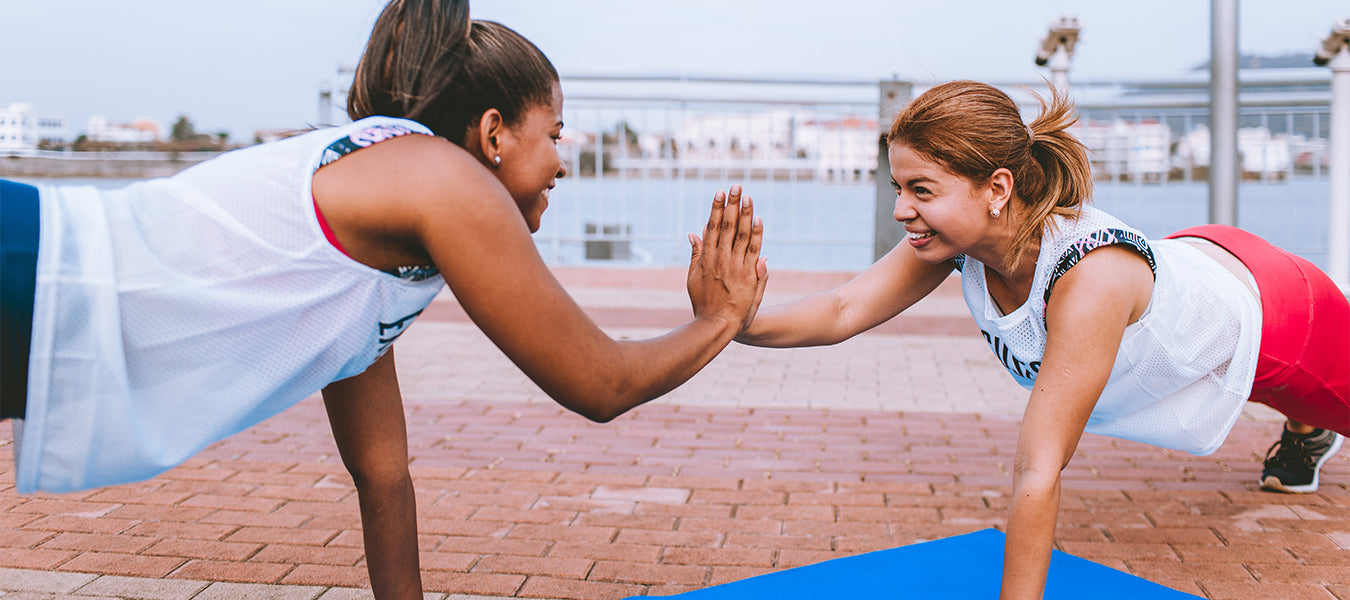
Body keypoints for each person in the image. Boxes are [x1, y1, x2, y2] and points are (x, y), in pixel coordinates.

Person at [0, 1, 767, 598]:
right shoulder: (440, 179)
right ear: (494, 133)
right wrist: (720, 319)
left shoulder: (374, 250)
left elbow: (384, 474)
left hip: (35, 300)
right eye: (556, 133)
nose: (564, 163)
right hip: (34, 270)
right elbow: (600, 384)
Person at [735, 80, 1348, 600]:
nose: (901, 209)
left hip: (1279, 313)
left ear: (997, 189)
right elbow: (843, 309)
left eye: (920, 189)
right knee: (1273, 396)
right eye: (899, 188)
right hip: (1195, 257)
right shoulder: (959, 239)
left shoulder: (1089, 277)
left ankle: (1307, 426)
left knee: (1302, 392)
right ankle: (1304, 427)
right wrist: (733, 319)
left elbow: (1038, 466)